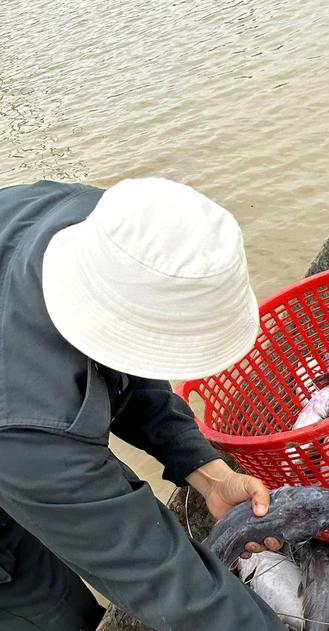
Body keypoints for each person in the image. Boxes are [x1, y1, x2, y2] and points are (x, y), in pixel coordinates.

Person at [0, 178, 288, 631]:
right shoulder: (31, 428)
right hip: (14, 429)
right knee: (47, 610)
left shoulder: (107, 225)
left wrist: (209, 475)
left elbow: (126, 367)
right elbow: (158, 575)